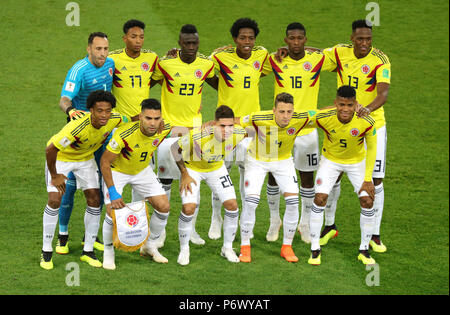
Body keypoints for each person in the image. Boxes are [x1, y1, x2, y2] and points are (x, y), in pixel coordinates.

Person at [319, 20, 390, 252]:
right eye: (360, 39)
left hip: (372, 126)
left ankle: (374, 235)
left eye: (368, 39)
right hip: (342, 122)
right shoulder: (340, 53)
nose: (364, 43)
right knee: (335, 173)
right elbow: (316, 57)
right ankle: (329, 225)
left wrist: (366, 110)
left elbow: (384, 93)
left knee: (375, 180)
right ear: (352, 38)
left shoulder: (380, 60)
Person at [264, 22, 336, 243]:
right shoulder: (275, 60)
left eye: (300, 38)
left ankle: (304, 223)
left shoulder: (316, 59)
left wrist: (313, 49)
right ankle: (274, 220)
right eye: (291, 39)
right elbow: (251, 66)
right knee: (273, 173)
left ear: (305, 39)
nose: (295, 42)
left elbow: (337, 56)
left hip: (307, 129)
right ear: (285, 40)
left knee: (306, 176)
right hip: (279, 127)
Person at [40, 90, 126, 270]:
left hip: (85, 160)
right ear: (90, 110)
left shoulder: (115, 119)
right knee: (55, 200)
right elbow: (50, 149)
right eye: (99, 110)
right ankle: (46, 251)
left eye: (107, 110)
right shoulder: (77, 127)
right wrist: (55, 176)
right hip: (62, 159)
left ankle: (88, 251)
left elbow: (130, 120)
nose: (104, 115)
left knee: (95, 200)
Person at [152, 24, 216, 246]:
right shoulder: (166, 64)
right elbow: (149, 81)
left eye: (194, 43)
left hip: (195, 131)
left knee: (193, 180)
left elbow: (223, 82)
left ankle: (191, 232)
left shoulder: (207, 65)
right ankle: (159, 233)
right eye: (186, 43)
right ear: (179, 43)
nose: (191, 47)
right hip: (169, 131)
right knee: (165, 181)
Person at [208, 17, 272, 240]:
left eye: (251, 38)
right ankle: (216, 219)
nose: (247, 41)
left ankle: (246, 222)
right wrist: (223, 87)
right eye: (242, 37)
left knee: (249, 179)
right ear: (234, 39)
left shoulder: (261, 55)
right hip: (225, 126)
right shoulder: (220, 57)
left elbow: (262, 71)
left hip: (251, 128)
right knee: (219, 175)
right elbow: (204, 71)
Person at [237, 92, 317, 263]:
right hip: (257, 161)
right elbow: (237, 121)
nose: (286, 116)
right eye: (281, 112)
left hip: (283, 161)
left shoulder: (300, 118)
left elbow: (324, 113)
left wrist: (357, 108)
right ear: (274, 110)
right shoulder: (258, 118)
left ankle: (286, 247)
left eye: (289, 112)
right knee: (251, 202)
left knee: (293, 202)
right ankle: (245, 247)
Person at [56, 32, 114, 255]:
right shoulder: (79, 70)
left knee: (99, 186)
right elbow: (64, 99)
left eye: (105, 49)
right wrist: (71, 111)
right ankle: (62, 236)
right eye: (98, 49)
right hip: (79, 137)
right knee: (68, 187)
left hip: (101, 135)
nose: (102, 53)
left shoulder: (110, 64)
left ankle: (90, 236)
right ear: (88, 49)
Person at [307, 85, 377, 266]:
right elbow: (303, 117)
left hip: (357, 164)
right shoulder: (325, 117)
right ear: (335, 104)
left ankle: (364, 250)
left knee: (367, 200)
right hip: (330, 161)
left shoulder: (366, 121)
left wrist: (368, 179)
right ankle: (315, 249)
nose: (345, 109)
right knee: (320, 198)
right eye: (341, 105)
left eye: (350, 105)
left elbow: (373, 151)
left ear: (356, 105)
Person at [100, 99, 173, 270]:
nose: (153, 123)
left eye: (157, 118)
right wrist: (113, 192)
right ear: (140, 117)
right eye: (148, 118)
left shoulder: (164, 129)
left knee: (164, 206)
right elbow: (104, 162)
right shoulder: (124, 135)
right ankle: (108, 251)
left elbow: (183, 132)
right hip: (117, 171)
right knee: (112, 211)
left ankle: (149, 245)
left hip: (142, 170)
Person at [171, 105, 246, 265]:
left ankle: (227, 248)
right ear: (214, 124)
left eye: (230, 125)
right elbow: (174, 148)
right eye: (222, 126)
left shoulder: (238, 133)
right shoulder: (199, 134)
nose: (227, 130)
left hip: (216, 168)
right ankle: (184, 250)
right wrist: (184, 174)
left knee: (232, 205)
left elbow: (254, 123)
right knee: (188, 208)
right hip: (193, 169)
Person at [109, 19, 159, 120]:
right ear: (124, 38)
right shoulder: (112, 59)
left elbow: (159, 77)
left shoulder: (152, 57)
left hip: (143, 119)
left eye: (141, 37)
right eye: (133, 37)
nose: (138, 41)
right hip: (121, 120)